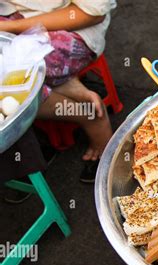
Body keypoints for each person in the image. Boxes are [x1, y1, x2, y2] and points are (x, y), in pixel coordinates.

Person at [0, 0, 117, 183]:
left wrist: (10, 27)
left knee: (10, 84)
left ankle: (86, 115)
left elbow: (93, 13)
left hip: (70, 29)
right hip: (12, 17)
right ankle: (68, 86)